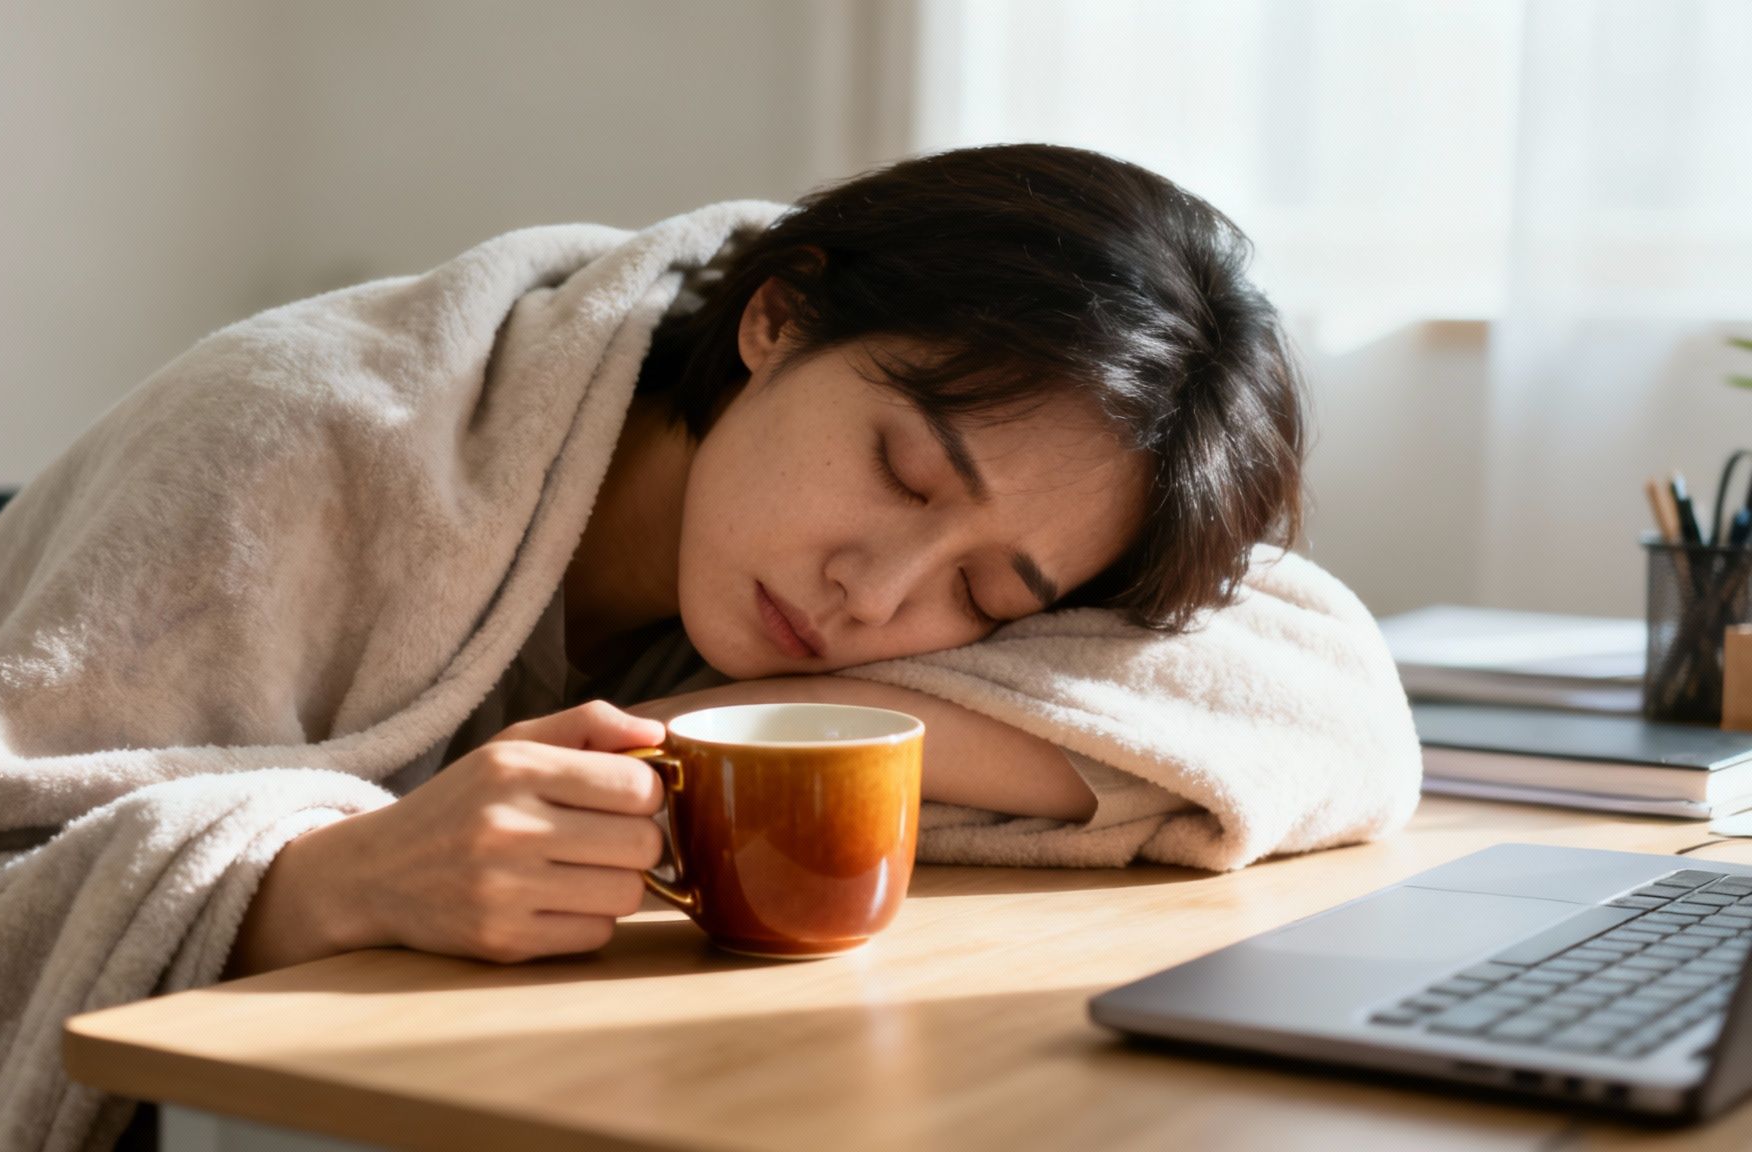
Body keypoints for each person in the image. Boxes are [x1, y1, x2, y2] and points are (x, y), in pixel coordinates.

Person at [225, 142, 1305, 974]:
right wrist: (340, 883)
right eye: (903, 473)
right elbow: (98, 856)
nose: (873, 597)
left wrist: (730, 733)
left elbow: (1315, 698)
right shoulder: (291, 438)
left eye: (980, 592)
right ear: (779, 318)